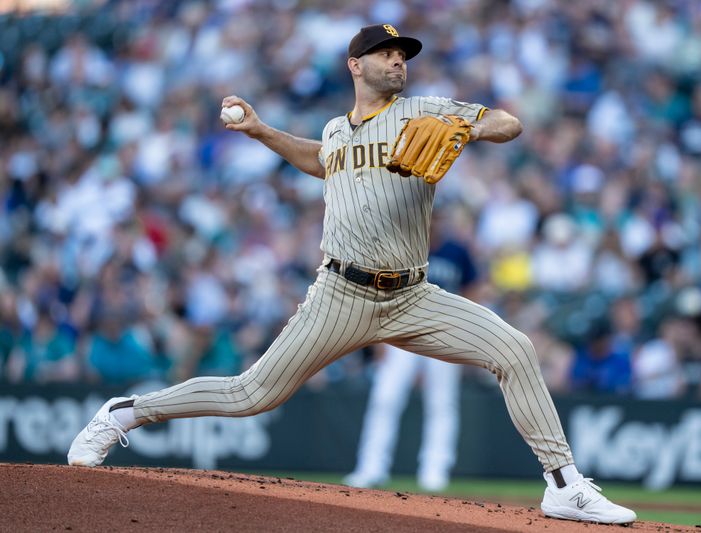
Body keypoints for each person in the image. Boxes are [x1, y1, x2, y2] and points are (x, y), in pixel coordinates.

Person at [68, 24, 636, 525]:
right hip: (341, 293)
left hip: (414, 295)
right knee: (251, 395)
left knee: (514, 349)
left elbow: (509, 123)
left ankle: (564, 486)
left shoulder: (425, 110)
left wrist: (470, 130)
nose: (397, 61)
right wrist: (263, 132)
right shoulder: (337, 130)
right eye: (384, 53)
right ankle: (125, 413)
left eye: (402, 53)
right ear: (354, 65)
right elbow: (322, 161)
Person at [344, 211, 476, 492]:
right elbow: (382, 294)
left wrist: (464, 335)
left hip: (444, 335)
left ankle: (435, 471)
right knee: (385, 399)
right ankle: (370, 468)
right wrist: (379, 338)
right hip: (400, 333)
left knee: (442, 404)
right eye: (429, 217)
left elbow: (472, 291)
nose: (433, 222)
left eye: (437, 218)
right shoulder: (399, 247)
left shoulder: (456, 251)